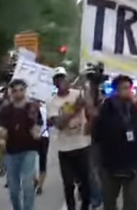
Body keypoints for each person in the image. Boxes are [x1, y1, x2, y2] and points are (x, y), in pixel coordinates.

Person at [93, 75, 137, 210]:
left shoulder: (135, 106)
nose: (127, 91)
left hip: (133, 163)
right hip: (110, 163)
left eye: (129, 88)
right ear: (116, 90)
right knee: (109, 202)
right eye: (123, 88)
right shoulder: (107, 106)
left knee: (131, 203)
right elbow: (97, 133)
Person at [47, 70, 94, 210]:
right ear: (54, 83)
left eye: (64, 78)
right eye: (58, 79)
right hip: (65, 149)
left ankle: (85, 205)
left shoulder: (77, 94)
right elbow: (59, 124)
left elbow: (91, 110)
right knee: (68, 184)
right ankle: (71, 207)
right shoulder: (52, 102)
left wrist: (87, 93)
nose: (62, 82)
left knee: (85, 182)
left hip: (82, 145)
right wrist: (75, 109)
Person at [0, 79, 43, 210]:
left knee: (28, 183)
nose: (18, 93)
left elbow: (38, 126)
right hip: (11, 152)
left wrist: (36, 129)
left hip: (29, 149)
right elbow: (2, 130)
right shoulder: (5, 110)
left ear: (25, 91)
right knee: (13, 188)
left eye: (21, 90)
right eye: (15, 90)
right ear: (11, 92)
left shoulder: (32, 107)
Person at [36, 100, 49, 195]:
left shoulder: (31, 109)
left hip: (38, 136)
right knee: (42, 161)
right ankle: (39, 184)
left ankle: (39, 184)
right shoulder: (46, 108)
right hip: (44, 136)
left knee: (39, 161)